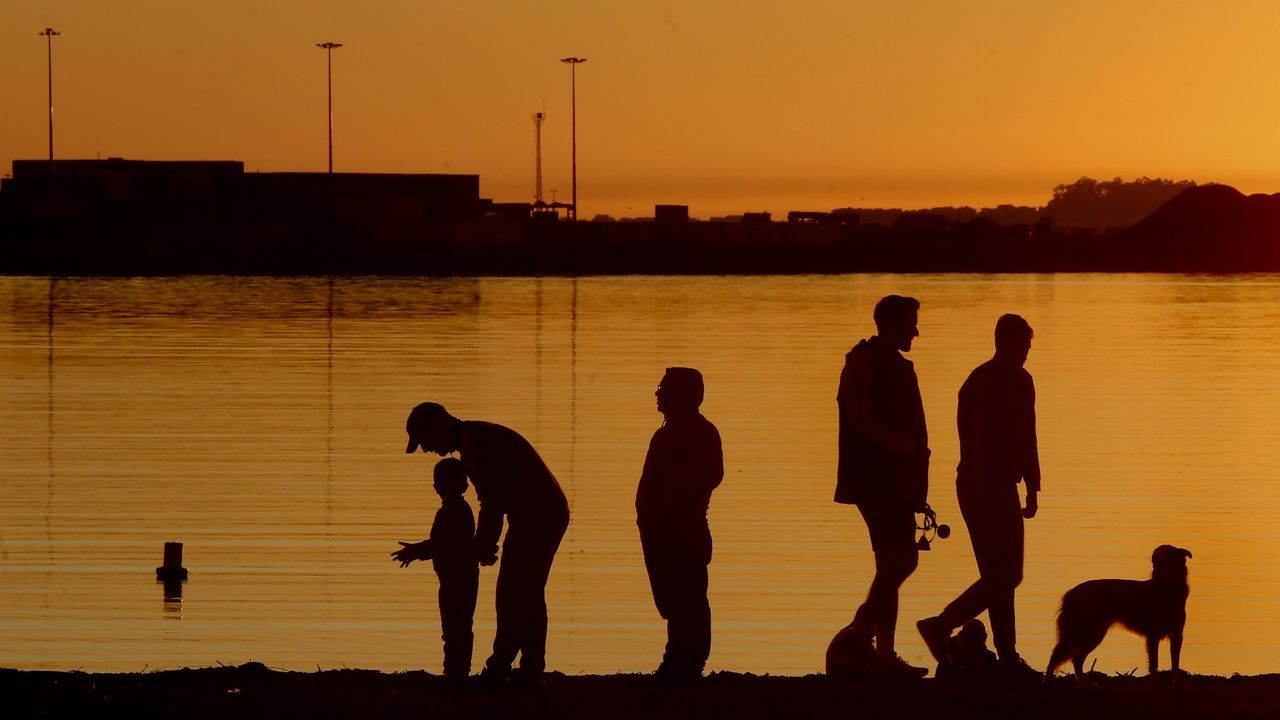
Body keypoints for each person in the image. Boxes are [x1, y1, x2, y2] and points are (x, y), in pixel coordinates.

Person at [405, 402, 571, 689]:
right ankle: (529, 666)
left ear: (439, 425)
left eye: (426, 440)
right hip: (536, 512)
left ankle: (503, 665)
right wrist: (484, 544)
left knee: (513, 591)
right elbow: (493, 500)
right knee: (526, 590)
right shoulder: (474, 439)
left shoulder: (475, 445)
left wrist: (482, 546)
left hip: (539, 513)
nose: (426, 449)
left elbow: (491, 503)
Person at [917, 313, 1041, 680]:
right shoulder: (981, 382)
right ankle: (1000, 652)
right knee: (998, 575)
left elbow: (1028, 436)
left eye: (1028, 348)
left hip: (1007, 485)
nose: (1025, 354)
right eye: (1022, 346)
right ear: (1003, 342)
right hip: (980, 486)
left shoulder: (1024, 382)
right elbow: (973, 441)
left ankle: (948, 628)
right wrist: (980, 491)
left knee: (1009, 576)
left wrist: (1033, 486)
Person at [834, 294, 931, 678]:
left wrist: (915, 469)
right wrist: (902, 446)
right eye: (910, 324)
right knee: (901, 560)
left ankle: (883, 653)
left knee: (892, 563)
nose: (916, 332)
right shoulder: (863, 362)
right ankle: (860, 634)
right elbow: (858, 418)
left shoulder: (896, 365)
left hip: (898, 479)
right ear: (889, 324)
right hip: (874, 479)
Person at [636, 367, 724, 685]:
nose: (658, 394)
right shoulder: (664, 435)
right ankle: (678, 658)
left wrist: (671, 508)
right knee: (673, 598)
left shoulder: (701, 433)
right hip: (661, 530)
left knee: (689, 598)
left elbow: (710, 477)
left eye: (665, 389)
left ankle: (686, 661)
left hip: (686, 531)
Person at [391, 458, 480, 681]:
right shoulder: (461, 510)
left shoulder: (452, 512)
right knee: (458, 626)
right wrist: (419, 551)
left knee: (454, 627)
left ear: (436, 488)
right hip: (460, 577)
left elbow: (442, 544)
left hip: (456, 579)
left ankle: (455, 673)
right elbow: (443, 543)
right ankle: (457, 670)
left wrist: (415, 551)